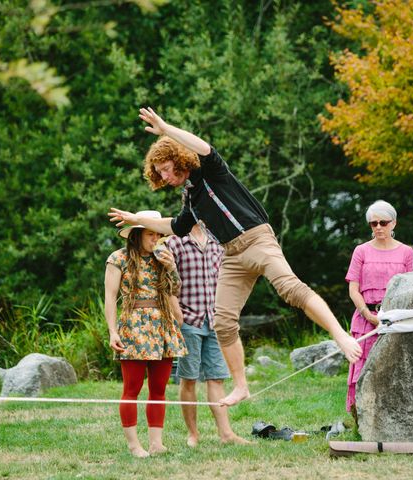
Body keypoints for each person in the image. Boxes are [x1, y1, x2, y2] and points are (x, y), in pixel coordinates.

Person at [109, 106, 362, 406]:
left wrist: (165, 128)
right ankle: (241, 386)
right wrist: (136, 219)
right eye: (159, 173)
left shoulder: (211, 172)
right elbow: (175, 227)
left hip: (257, 239)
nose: (164, 176)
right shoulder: (191, 196)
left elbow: (203, 147)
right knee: (223, 323)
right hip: (230, 255)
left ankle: (339, 335)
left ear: (179, 159)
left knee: (290, 289)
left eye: (166, 168)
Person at [104, 210, 187, 457]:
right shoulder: (117, 258)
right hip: (134, 325)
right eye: (151, 234)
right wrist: (112, 331)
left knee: (159, 388)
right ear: (138, 234)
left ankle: (156, 443)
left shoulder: (163, 258)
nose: (156, 239)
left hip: (162, 324)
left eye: (158, 234)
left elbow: (174, 290)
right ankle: (133, 445)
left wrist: (171, 267)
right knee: (132, 388)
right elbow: (110, 297)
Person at [166, 222, 250, 446]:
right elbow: (167, 283)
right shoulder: (175, 241)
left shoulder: (218, 240)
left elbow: (229, 279)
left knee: (217, 378)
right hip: (188, 320)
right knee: (189, 379)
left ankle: (226, 434)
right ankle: (193, 434)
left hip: (216, 320)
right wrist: (177, 315)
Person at [345, 200, 413, 420]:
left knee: (394, 368)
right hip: (366, 318)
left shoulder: (406, 252)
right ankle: (362, 418)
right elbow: (353, 288)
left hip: (395, 319)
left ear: (394, 223)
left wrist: (392, 316)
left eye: (383, 222)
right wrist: (367, 314)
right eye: (373, 223)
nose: (378, 227)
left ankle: (394, 417)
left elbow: (410, 287)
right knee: (362, 370)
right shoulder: (361, 251)